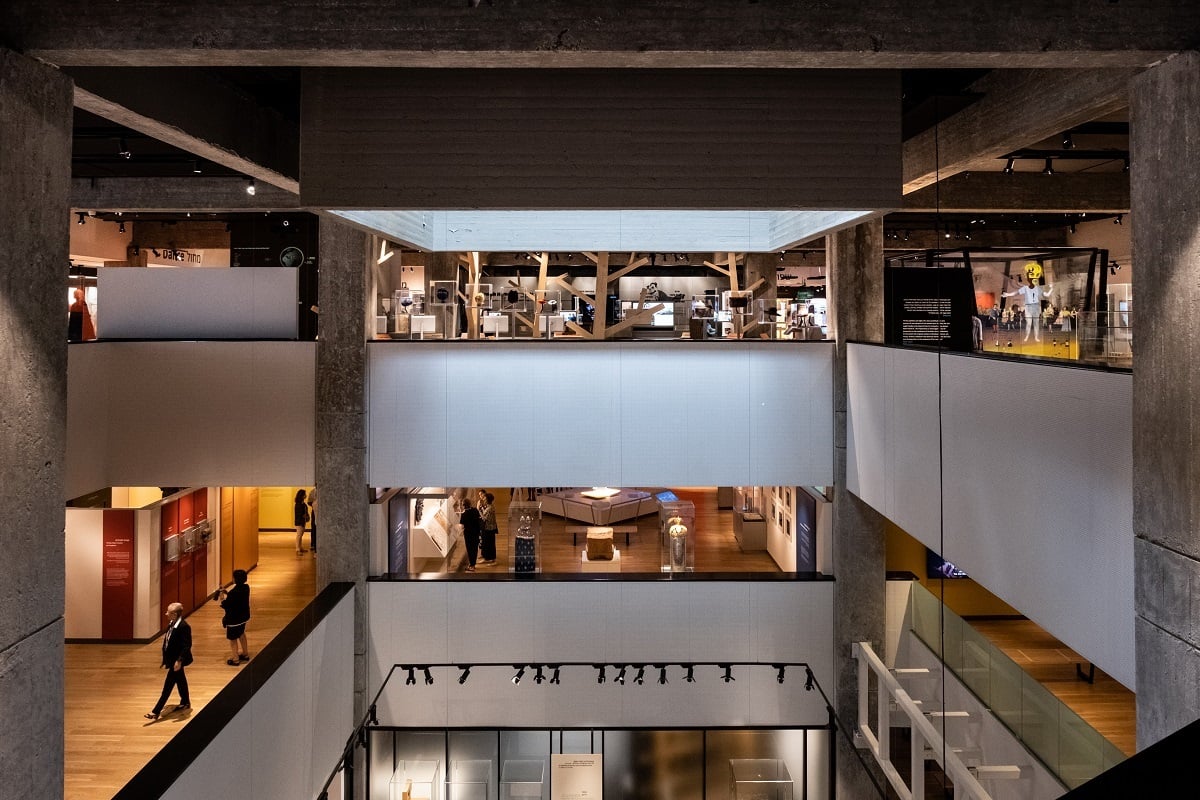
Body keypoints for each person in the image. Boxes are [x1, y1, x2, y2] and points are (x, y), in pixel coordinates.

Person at [145, 602, 192, 720]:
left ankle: (156, 711)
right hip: (172, 660)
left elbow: (187, 645)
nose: (166, 614)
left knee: (167, 687)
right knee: (181, 681)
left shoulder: (183, 626)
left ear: (175, 614)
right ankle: (185, 702)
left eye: (168, 612)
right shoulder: (172, 623)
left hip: (176, 661)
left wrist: (179, 661)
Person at [1002, 274, 1053, 343]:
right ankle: (1027, 336)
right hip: (1028, 307)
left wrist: (1051, 288)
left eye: (1033, 279)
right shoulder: (1025, 288)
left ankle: (1036, 337)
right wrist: (1008, 294)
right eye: (1030, 279)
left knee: (1036, 323)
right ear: (1029, 280)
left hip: (1036, 307)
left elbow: (1046, 295)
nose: (1032, 281)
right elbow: (1016, 293)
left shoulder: (1037, 288)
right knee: (1028, 323)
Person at [218, 569, 251, 666]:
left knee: (233, 639)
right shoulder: (246, 587)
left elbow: (226, 605)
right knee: (241, 634)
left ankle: (235, 659)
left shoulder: (233, 593)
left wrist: (222, 597)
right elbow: (237, 598)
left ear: (235, 579)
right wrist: (227, 593)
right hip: (244, 617)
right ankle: (245, 654)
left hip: (234, 619)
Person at [459, 496, 482, 572]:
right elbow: (479, 519)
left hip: (468, 534)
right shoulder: (475, 510)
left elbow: (462, 525)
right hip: (476, 533)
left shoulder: (464, 515)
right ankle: (473, 563)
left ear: (464, 505)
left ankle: (472, 565)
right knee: (475, 548)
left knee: (470, 549)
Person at [477, 490, 498, 565]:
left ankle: (492, 559)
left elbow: (484, 518)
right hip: (488, 528)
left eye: (485, 499)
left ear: (488, 500)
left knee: (490, 544)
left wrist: (478, 510)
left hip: (489, 528)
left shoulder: (490, 508)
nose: (483, 500)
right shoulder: (490, 506)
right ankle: (487, 558)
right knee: (487, 543)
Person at [294, 489, 309, 554]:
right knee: (299, 535)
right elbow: (299, 513)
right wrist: (304, 516)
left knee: (301, 535)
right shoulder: (298, 504)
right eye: (304, 494)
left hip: (302, 521)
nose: (306, 495)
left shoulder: (302, 503)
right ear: (302, 495)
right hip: (299, 522)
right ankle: (297, 549)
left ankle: (300, 547)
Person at [306, 488, 317, 554]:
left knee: (314, 528)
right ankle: (313, 544)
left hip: (315, 509)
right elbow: (309, 502)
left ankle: (314, 544)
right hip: (314, 510)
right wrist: (314, 505)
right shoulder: (313, 491)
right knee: (313, 528)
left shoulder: (313, 491)